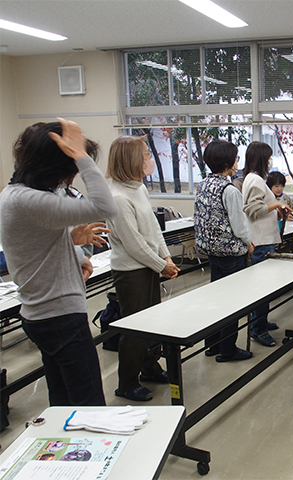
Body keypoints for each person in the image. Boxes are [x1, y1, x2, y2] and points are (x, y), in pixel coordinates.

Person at [0, 119, 118, 406]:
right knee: (89, 405)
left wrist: (74, 248)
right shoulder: (28, 200)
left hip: (45, 314)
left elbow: (42, 246)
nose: (72, 179)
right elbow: (105, 207)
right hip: (59, 316)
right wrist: (83, 157)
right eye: (71, 171)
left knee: (65, 402)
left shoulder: (18, 194)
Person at [106, 135, 180, 402]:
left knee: (152, 323)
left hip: (149, 265)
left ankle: (150, 368)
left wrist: (167, 258)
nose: (150, 159)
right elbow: (133, 244)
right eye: (146, 154)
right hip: (131, 271)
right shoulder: (116, 196)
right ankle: (126, 383)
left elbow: (152, 230)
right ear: (130, 160)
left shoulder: (138, 187)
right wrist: (161, 265)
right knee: (134, 328)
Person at [194, 140, 254, 362]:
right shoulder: (229, 190)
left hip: (211, 251)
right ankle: (228, 349)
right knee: (232, 303)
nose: (237, 163)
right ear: (229, 164)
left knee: (216, 299)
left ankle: (212, 345)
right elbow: (239, 226)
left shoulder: (202, 185)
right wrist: (249, 243)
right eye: (236, 159)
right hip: (231, 253)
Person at [242, 141, 291, 347]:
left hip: (266, 240)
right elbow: (252, 209)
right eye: (268, 157)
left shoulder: (257, 179)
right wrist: (277, 204)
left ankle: (261, 321)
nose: (271, 160)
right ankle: (258, 329)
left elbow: (262, 207)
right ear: (262, 158)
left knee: (265, 286)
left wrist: (275, 208)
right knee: (261, 288)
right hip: (261, 242)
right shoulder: (254, 180)